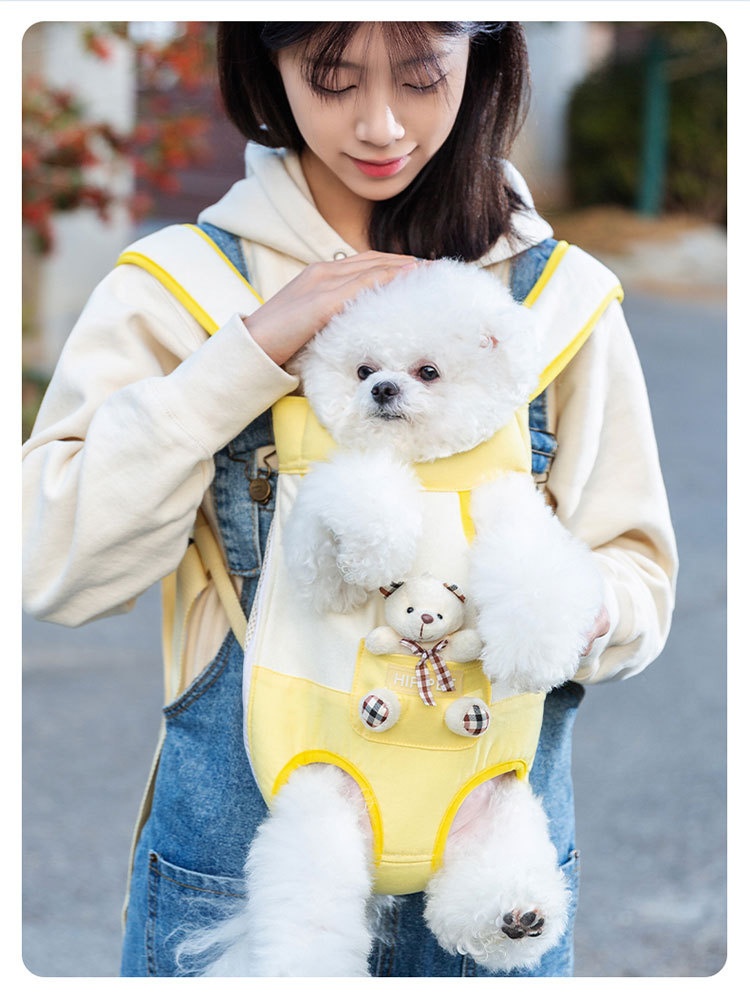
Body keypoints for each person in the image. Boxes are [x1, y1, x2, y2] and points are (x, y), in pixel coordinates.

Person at [21, 21, 677, 978]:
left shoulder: (556, 305)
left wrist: (563, 607)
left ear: (482, 56)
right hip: (251, 885)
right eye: (331, 80)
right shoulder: (179, 291)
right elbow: (54, 565)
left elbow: (640, 575)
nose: (380, 124)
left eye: (420, 76)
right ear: (268, 63)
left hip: (493, 876)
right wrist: (251, 350)